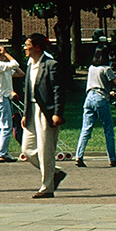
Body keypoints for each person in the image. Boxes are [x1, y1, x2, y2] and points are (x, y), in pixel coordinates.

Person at [18, 33, 69, 198]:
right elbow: (27, 91)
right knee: (27, 148)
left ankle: (47, 188)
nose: (25, 48)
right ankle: (55, 173)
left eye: (28, 45)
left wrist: (57, 113)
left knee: (45, 150)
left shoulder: (51, 65)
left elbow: (58, 90)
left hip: (45, 112)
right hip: (32, 111)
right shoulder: (29, 65)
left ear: (37, 47)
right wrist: (25, 113)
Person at [74, 47, 116, 166]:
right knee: (108, 130)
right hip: (101, 99)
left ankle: (78, 155)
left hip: (89, 97)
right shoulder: (106, 69)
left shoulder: (91, 68)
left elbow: (97, 84)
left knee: (86, 129)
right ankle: (112, 158)